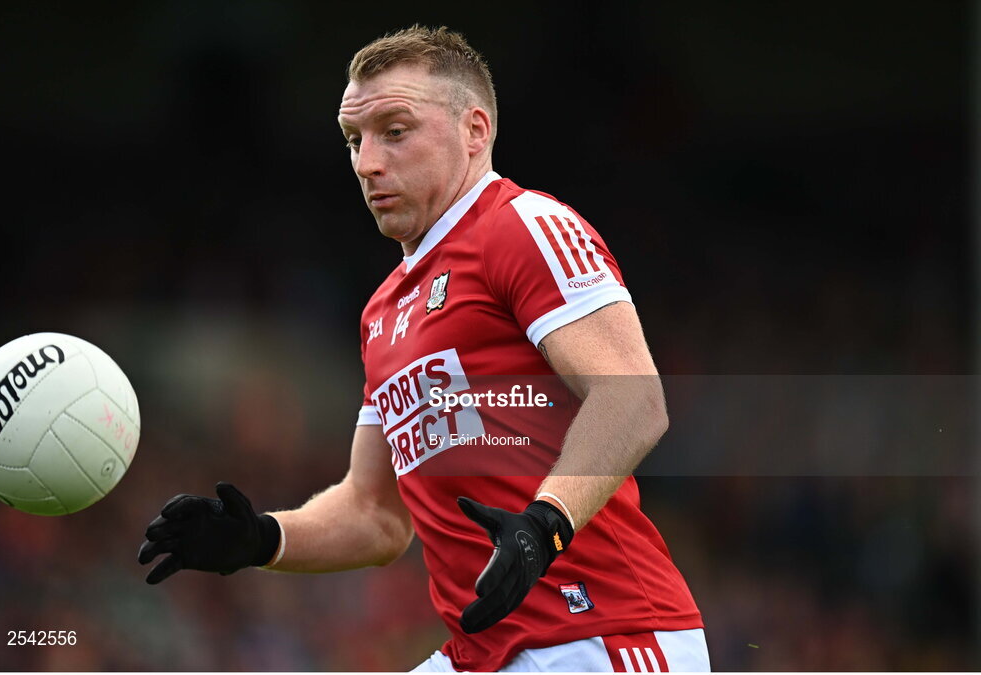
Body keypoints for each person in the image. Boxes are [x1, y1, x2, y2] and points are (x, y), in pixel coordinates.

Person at [138, 25, 708, 672]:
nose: (365, 161)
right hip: (485, 653)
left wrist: (544, 524)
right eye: (355, 139)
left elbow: (634, 397)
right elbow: (376, 513)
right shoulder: (382, 310)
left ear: (475, 129)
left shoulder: (522, 227)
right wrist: (262, 537)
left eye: (395, 130)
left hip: (606, 637)